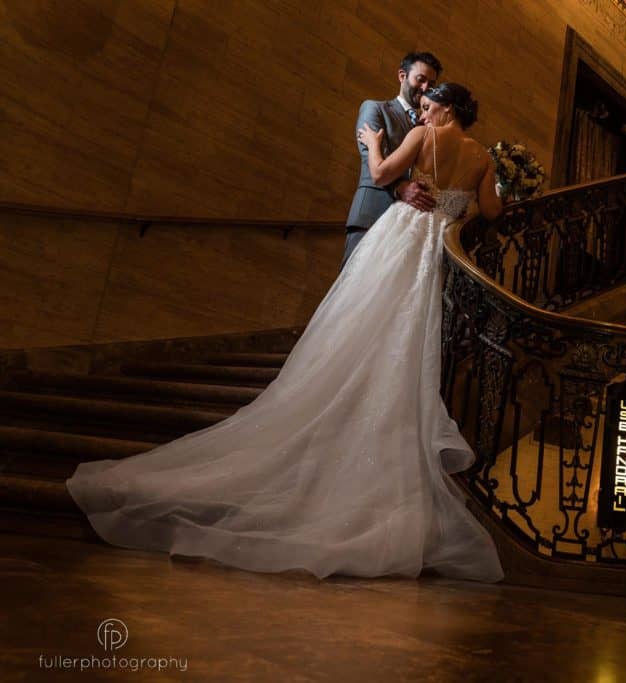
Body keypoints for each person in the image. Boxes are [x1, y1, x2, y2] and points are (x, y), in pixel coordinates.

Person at [65, 83, 505, 583]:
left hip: (400, 238)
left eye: (429, 107)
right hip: (436, 253)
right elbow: (492, 212)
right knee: (406, 342)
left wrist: (376, 144)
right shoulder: (482, 156)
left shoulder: (426, 139)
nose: (423, 113)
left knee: (359, 324)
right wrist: (467, 201)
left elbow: (382, 175)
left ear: (446, 109)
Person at [342, 51, 442, 269]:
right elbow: (370, 158)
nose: (425, 88)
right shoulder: (374, 108)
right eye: (421, 79)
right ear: (402, 76)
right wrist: (401, 187)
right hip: (372, 215)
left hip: (406, 229)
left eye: (431, 84)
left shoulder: (427, 126)